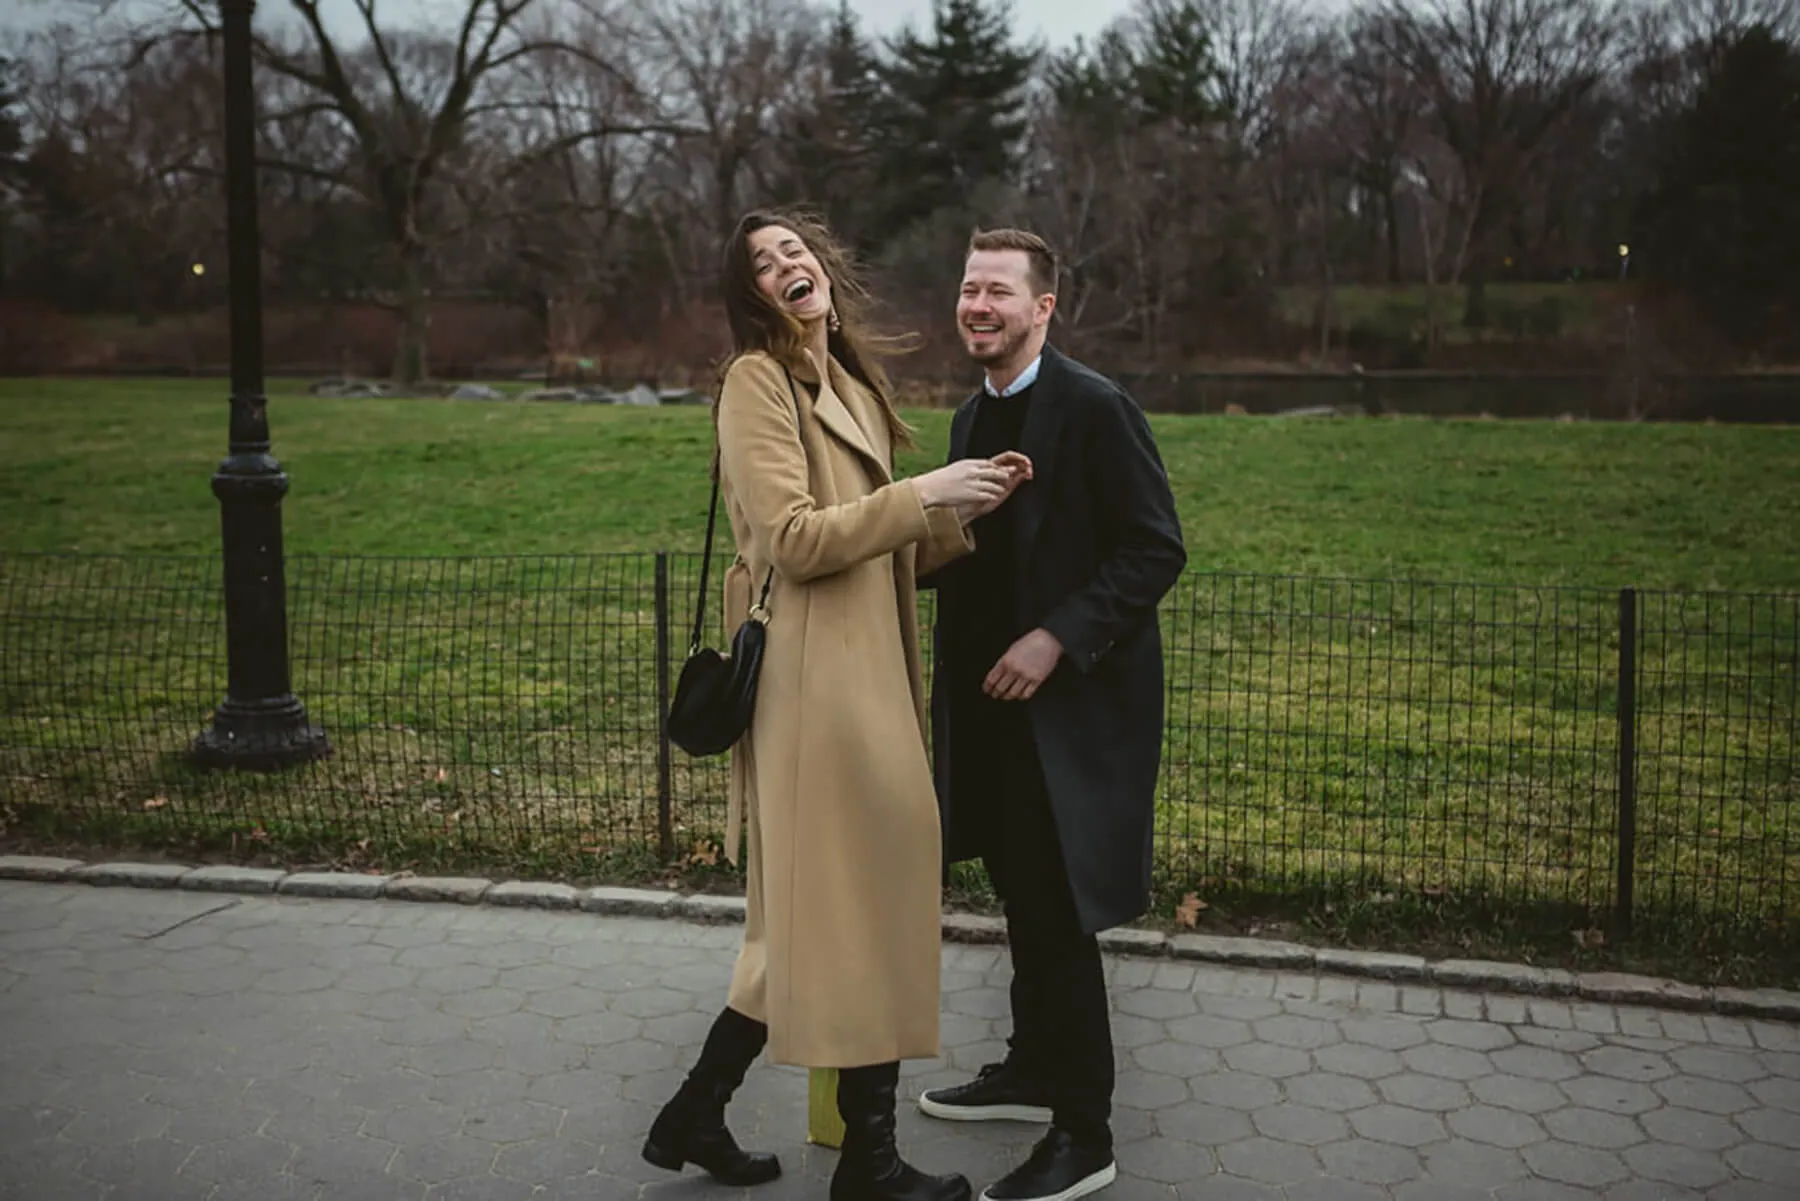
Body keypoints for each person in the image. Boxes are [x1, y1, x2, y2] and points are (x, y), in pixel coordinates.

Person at [641, 207, 1029, 1201]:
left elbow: (881, 535)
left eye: (795, 251)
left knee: (820, 921)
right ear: (753, 297)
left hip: (868, 672)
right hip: (815, 684)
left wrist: (961, 507)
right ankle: (870, 1162)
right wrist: (923, 490)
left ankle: (699, 1110)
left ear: (821, 268)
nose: (787, 266)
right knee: (856, 906)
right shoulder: (755, 383)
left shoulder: (848, 377)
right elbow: (797, 540)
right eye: (765, 265)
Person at [917, 229, 1186, 1201]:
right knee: (1019, 892)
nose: (977, 305)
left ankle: (1085, 1132)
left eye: (997, 290)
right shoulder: (966, 419)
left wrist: (1056, 638)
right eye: (967, 287)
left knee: (1059, 910)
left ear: (1044, 307)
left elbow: (1154, 550)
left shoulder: (1095, 408)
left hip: (1069, 714)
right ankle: (1032, 1067)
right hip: (987, 714)